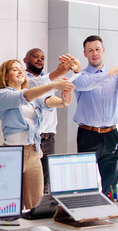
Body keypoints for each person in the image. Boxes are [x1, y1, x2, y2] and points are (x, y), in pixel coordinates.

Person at [0, 59, 74, 208]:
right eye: (14, 69)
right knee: (10, 203)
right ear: (5, 76)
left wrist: (64, 100)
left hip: (33, 152)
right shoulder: (2, 95)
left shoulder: (33, 96)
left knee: (35, 204)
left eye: (21, 69)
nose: (20, 71)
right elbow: (25, 96)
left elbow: (48, 101)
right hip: (12, 153)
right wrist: (54, 85)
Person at [72, 35, 118, 193]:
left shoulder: (117, 75)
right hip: (88, 135)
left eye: (97, 49)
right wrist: (112, 71)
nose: (94, 53)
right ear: (85, 53)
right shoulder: (80, 76)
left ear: (103, 50)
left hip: (111, 135)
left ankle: (109, 215)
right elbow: (85, 84)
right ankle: (86, 215)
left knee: (111, 186)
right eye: (90, 50)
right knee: (85, 185)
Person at [22, 48, 81, 193]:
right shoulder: (24, 81)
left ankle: (41, 213)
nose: (39, 59)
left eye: (42, 57)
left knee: (46, 184)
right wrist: (57, 75)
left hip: (49, 138)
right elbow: (43, 93)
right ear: (26, 60)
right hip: (32, 140)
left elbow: (51, 89)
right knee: (29, 185)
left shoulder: (49, 79)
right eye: (35, 57)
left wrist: (77, 71)